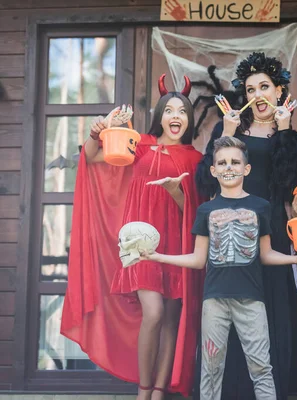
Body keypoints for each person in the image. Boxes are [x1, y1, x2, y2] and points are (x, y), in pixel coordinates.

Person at [142, 136, 297, 400]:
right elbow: (197, 259)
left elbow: (266, 253)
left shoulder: (261, 207)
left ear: (246, 169)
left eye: (235, 162)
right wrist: (158, 256)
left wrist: (295, 259)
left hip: (252, 301)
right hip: (214, 301)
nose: (229, 167)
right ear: (213, 170)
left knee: (261, 366)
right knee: (211, 369)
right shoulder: (206, 210)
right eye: (222, 163)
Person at [61, 74, 204, 400]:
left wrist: (177, 194)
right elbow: (94, 158)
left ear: (189, 119)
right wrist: (100, 132)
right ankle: (142, 390)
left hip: (176, 247)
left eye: (182, 111)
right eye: (169, 111)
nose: (175, 117)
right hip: (142, 243)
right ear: (160, 116)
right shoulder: (139, 144)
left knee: (171, 318)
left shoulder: (196, 160)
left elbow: (195, 214)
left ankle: (158, 390)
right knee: (152, 313)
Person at [195, 53, 297, 399]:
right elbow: (204, 181)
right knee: (227, 312)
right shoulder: (228, 128)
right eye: (251, 88)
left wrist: (284, 131)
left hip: (271, 232)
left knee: (272, 313)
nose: (258, 95)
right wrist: (223, 135)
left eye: (265, 87)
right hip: (230, 233)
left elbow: (291, 185)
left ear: (278, 91)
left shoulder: (292, 138)